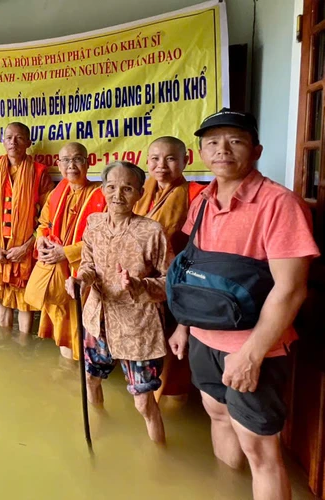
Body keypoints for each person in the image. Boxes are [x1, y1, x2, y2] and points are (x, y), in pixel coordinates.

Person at [168, 109, 319, 500]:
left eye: (235, 140)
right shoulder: (201, 201)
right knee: (218, 417)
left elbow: (291, 289)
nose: (223, 149)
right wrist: (183, 326)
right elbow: (193, 269)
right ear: (201, 152)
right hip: (204, 339)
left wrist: (251, 355)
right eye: (213, 142)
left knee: (260, 451)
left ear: (256, 150)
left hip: (254, 349)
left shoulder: (279, 204)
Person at [67, 161, 170, 444]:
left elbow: (170, 282)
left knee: (143, 402)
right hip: (97, 318)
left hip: (138, 326)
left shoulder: (152, 232)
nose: (118, 195)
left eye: (127, 189)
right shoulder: (94, 224)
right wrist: (81, 280)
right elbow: (88, 264)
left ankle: (161, 454)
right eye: (111, 187)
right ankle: (102, 425)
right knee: (91, 379)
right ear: (102, 189)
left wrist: (140, 285)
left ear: (139, 193)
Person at [133, 136, 205, 400]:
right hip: (140, 285)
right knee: (143, 352)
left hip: (178, 285)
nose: (161, 165)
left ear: (186, 160)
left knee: (174, 355)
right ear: (146, 161)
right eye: (155, 158)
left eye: (171, 158)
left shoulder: (197, 195)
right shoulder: (139, 192)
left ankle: (173, 401)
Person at [24, 142, 105, 359]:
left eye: (77, 159)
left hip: (85, 275)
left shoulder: (101, 195)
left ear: (88, 163)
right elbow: (44, 224)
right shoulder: (57, 193)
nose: (71, 165)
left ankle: (82, 368)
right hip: (56, 272)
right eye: (66, 160)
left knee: (83, 329)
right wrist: (41, 240)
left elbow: (105, 238)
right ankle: (68, 368)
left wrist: (67, 253)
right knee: (62, 326)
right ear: (58, 165)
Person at [0, 122, 53, 334]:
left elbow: (48, 218)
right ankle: (6, 343)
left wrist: (27, 247)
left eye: (19, 138)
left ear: (28, 142)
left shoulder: (39, 172)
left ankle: (23, 345)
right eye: (9, 137)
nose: (13, 142)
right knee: (1, 297)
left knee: (25, 301)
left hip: (25, 250)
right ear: (3, 141)